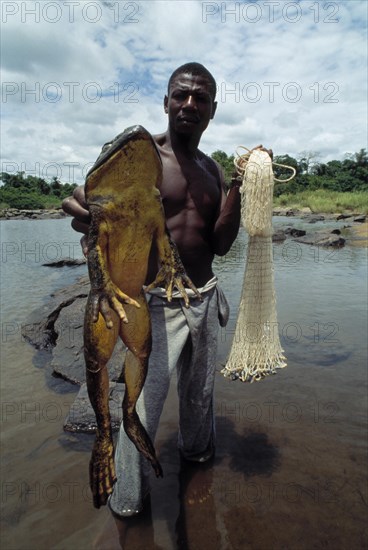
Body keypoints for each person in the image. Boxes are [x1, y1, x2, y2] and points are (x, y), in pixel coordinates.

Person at [63, 62, 270, 517]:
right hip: (154, 304)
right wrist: (81, 207)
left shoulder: (211, 170)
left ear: (213, 110)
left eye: (200, 98)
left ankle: (198, 463)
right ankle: (127, 503)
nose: (189, 104)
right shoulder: (142, 156)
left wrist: (238, 187)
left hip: (205, 295)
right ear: (166, 102)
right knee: (145, 405)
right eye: (181, 95)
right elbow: (88, 195)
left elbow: (220, 244)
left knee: (200, 398)